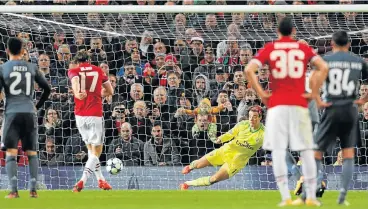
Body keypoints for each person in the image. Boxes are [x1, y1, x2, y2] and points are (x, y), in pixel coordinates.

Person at [245, 16, 329, 207]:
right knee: (307, 151)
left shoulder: (271, 48)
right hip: (300, 105)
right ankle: (310, 196)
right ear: (293, 31)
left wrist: (263, 94)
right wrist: (314, 94)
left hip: (278, 105)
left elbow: (249, 69)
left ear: (277, 32)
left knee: (278, 149)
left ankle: (286, 198)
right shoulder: (303, 50)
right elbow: (323, 67)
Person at [313, 31, 368, 205]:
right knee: (349, 153)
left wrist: (319, 100)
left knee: (316, 150)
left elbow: (313, 81)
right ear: (349, 44)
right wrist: (363, 100)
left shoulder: (326, 60)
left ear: (332, 43)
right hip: (350, 109)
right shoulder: (359, 61)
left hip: (332, 108)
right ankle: (343, 195)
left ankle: (318, 182)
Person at [1, 37, 51, 198]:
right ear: (23, 52)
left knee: (11, 152)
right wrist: (36, 106)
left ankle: (14, 191)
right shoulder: (32, 67)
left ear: (7, 51)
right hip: (30, 113)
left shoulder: (3, 68)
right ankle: (33, 190)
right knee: (31, 152)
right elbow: (47, 89)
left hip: (12, 113)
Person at [180, 106, 264, 190]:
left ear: (260, 117)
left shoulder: (264, 133)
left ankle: (187, 184)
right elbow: (230, 134)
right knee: (198, 164)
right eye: (250, 116)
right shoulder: (243, 124)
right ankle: (190, 167)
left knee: (214, 179)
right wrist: (220, 139)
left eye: (255, 116)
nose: (251, 119)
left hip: (237, 162)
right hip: (226, 150)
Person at [68, 50, 114, 192]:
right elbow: (110, 91)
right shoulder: (98, 70)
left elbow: (75, 83)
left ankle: (101, 180)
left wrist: (77, 93)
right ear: (89, 59)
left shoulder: (73, 70)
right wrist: (98, 93)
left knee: (90, 149)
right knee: (97, 151)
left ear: (77, 61)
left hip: (80, 115)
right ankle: (82, 181)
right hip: (95, 113)